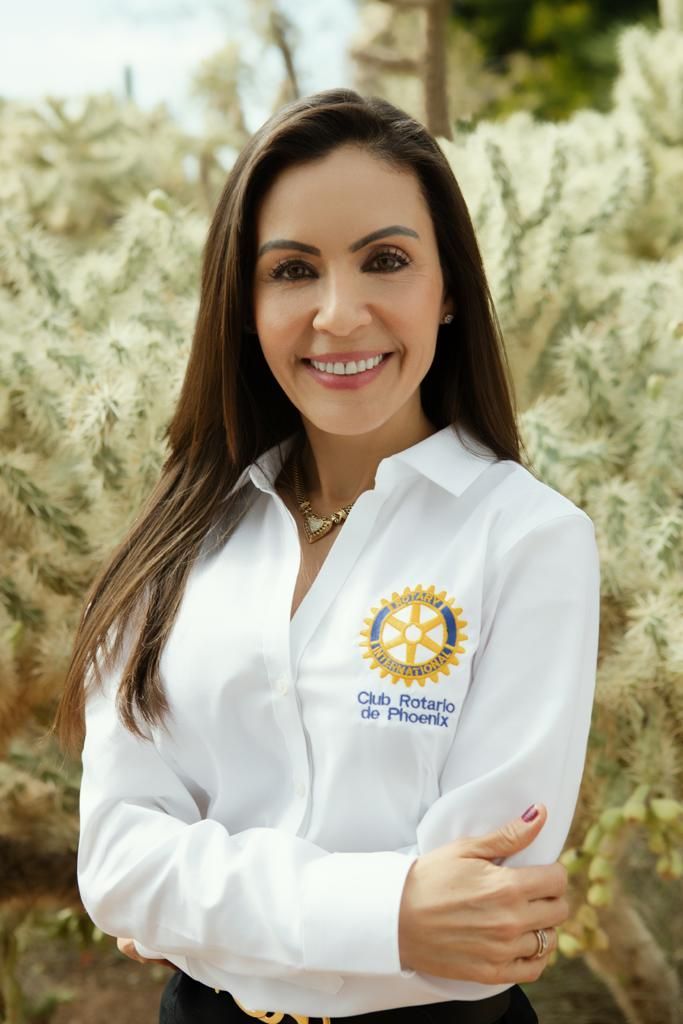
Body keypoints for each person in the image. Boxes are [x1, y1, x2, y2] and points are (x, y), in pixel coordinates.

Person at [54, 89, 601, 1024]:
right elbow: (116, 865)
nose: (339, 315)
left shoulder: (529, 538)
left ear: (449, 288)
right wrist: (390, 910)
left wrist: (198, 907)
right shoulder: (179, 538)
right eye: (293, 269)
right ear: (244, 301)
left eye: (385, 261)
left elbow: (478, 925)